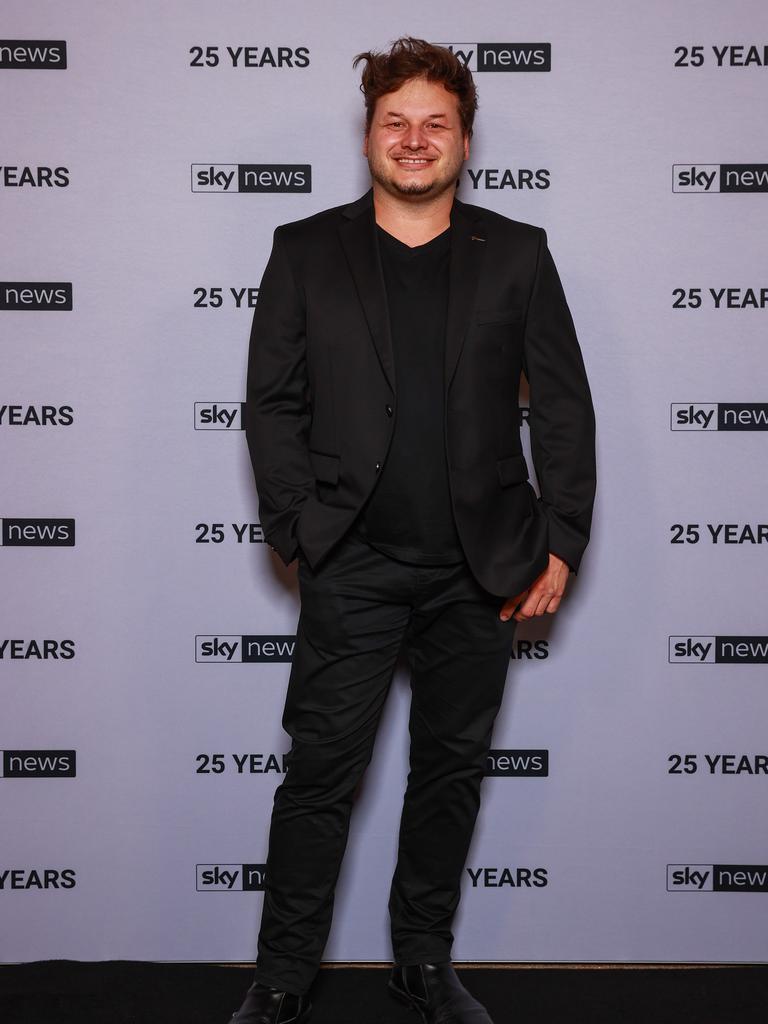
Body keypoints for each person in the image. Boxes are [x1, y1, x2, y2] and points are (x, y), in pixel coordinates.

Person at [231, 36, 596, 1024]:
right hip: (352, 564)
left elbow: (562, 406)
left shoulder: (517, 254)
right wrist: (297, 527)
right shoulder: (304, 250)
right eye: (397, 121)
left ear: (465, 142)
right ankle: (280, 977)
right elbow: (273, 404)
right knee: (318, 778)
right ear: (368, 137)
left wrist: (563, 540)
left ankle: (423, 962)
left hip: (481, 570)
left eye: (437, 123)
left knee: (448, 777)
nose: (415, 138)